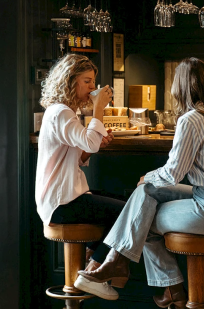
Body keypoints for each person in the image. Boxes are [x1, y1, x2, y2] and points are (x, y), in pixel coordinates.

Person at [77, 57, 204, 308]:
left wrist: (147, 177)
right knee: (144, 197)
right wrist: (148, 182)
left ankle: (131, 270)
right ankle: (131, 271)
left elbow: (173, 173)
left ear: (179, 87)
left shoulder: (190, 119)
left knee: (143, 212)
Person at [36, 54, 126, 300]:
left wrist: (93, 146)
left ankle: (91, 263)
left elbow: (78, 153)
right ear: (69, 81)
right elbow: (89, 141)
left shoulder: (63, 112)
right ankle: (93, 272)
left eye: (92, 82)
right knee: (126, 212)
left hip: (66, 197)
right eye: (87, 81)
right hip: (62, 202)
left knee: (126, 205)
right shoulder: (61, 113)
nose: (92, 87)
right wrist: (99, 109)